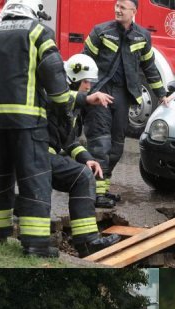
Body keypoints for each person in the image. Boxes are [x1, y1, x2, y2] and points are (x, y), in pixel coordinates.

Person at [0, 0, 74, 257]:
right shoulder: (37, 32)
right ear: (33, 9)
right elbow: (54, 74)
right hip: (26, 122)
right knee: (34, 179)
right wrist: (62, 109)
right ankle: (36, 245)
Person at [83, 0, 169, 207]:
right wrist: (85, 92)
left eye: (122, 7)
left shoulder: (142, 36)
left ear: (134, 11)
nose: (117, 9)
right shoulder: (101, 32)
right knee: (100, 145)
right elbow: (84, 61)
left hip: (123, 96)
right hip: (100, 94)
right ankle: (94, 193)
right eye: (116, 5)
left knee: (116, 148)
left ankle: (102, 189)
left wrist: (162, 94)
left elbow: (149, 67)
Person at [45, 54, 121, 257]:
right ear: (74, 79)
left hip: (41, 158)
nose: (89, 86)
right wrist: (86, 99)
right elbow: (58, 98)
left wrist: (88, 158)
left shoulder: (73, 106)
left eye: (90, 82)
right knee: (82, 177)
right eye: (86, 81)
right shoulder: (57, 96)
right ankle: (88, 243)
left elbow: (70, 142)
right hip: (38, 156)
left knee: (84, 171)